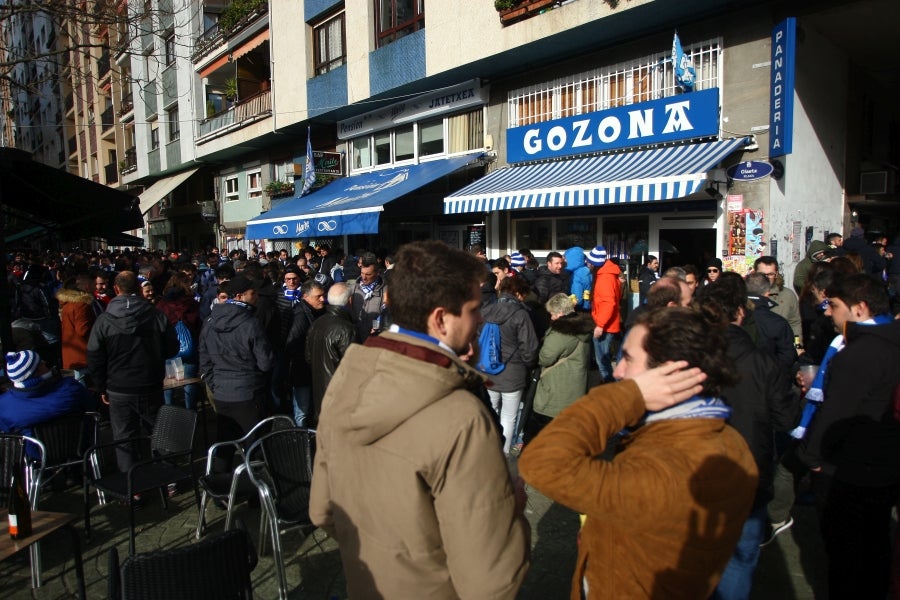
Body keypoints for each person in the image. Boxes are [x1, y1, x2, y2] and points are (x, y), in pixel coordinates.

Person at [309, 240, 530, 599]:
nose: (481, 319)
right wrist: (511, 513)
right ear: (441, 319)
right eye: (474, 309)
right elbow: (492, 581)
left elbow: (322, 511)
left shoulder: (348, 380)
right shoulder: (462, 417)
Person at [519, 307, 758, 599]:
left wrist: (625, 397)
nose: (618, 370)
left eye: (629, 359)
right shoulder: (724, 437)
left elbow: (542, 463)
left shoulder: (671, 464)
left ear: (670, 372)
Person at [795, 273, 900, 599]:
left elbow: (836, 412)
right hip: (884, 465)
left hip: (852, 468)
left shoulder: (858, 355)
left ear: (860, 308)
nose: (827, 312)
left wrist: (811, 457)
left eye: (834, 305)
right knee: (876, 545)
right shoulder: (888, 342)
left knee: (847, 556)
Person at [694, 277, 799, 599]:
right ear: (741, 312)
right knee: (740, 557)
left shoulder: (691, 358)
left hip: (700, 468)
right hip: (749, 468)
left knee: (702, 554)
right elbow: (785, 420)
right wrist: (796, 393)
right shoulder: (763, 363)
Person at [87, 271, 178, 473]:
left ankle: (134, 485)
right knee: (157, 430)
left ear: (117, 289)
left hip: (122, 386)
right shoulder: (155, 316)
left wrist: (101, 385)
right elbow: (172, 347)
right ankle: (167, 476)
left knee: (124, 437)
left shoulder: (104, 320)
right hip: (146, 383)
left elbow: (94, 356)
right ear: (137, 290)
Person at [199, 274, 274, 446]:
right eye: (252, 293)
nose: (256, 297)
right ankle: (251, 472)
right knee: (254, 446)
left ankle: (218, 472)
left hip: (223, 393)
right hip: (247, 393)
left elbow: (204, 359)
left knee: (224, 443)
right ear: (239, 296)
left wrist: (215, 383)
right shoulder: (250, 323)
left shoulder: (210, 321)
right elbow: (266, 362)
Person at [480, 276, 539, 454]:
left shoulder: (486, 311)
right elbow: (529, 347)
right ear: (518, 293)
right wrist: (529, 365)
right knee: (509, 417)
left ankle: (487, 450)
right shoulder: (521, 314)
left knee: (490, 413)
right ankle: (503, 453)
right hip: (513, 372)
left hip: (488, 369)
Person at [526, 293, 593, 442]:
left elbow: (545, 357)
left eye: (552, 314)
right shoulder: (583, 329)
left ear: (560, 313)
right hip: (575, 389)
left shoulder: (561, 333)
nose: (551, 318)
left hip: (555, 392)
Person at [0, 351, 94, 445]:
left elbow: (7, 432)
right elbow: (90, 406)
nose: (44, 362)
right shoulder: (70, 387)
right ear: (37, 372)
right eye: (40, 362)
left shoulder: (4, 405)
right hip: (79, 446)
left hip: (36, 454)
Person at [305, 282, 355, 424]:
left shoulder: (317, 323)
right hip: (340, 395)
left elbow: (308, 357)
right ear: (349, 300)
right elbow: (353, 368)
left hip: (319, 391)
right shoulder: (347, 329)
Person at [156, 272, 202, 410]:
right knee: (189, 381)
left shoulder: (162, 304)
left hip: (168, 346)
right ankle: (191, 412)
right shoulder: (191, 302)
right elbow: (197, 323)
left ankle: (169, 410)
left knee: (168, 381)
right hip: (189, 345)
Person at [285, 279, 326, 426]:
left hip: (311, 369)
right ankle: (302, 442)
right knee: (302, 410)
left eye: (323, 295)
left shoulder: (318, 311)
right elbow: (293, 344)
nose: (322, 299)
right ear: (305, 297)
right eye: (318, 296)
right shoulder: (300, 316)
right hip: (302, 370)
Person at [588, 245, 621, 382]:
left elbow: (609, 303)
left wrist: (600, 325)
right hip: (608, 323)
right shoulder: (607, 274)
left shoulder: (605, 278)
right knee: (604, 360)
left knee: (602, 362)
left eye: (590, 262)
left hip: (606, 326)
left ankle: (610, 391)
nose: (588, 265)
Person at [55, 275, 96, 384]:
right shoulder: (81, 305)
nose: (95, 287)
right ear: (87, 286)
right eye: (94, 284)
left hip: (72, 354)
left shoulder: (68, 304)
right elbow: (83, 330)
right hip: (82, 354)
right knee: (83, 386)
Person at [753, 256, 802, 339]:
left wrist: (797, 345)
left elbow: (794, 323)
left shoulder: (788, 295)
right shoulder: (745, 294)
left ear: (776, 274)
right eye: (762, 274)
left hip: (780, 345)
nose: (766, 278)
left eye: (770, 274)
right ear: (754, 273)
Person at [347, 252, 385, 343]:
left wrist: (376, 328)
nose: (364, 277)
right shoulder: (352, 289)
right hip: (356, 341)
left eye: (368, 275)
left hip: (375, 342)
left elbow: (384, 315)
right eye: (362, 273)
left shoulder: (386, 291)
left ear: (377, 273)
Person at [563, 246, 592, 310]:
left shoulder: (577, 275)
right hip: (590, 306)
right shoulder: (587, 270)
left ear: (572, 259)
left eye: (566, 258)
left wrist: (564, 304)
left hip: (582, 309)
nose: (565, 261)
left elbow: (577, 300)